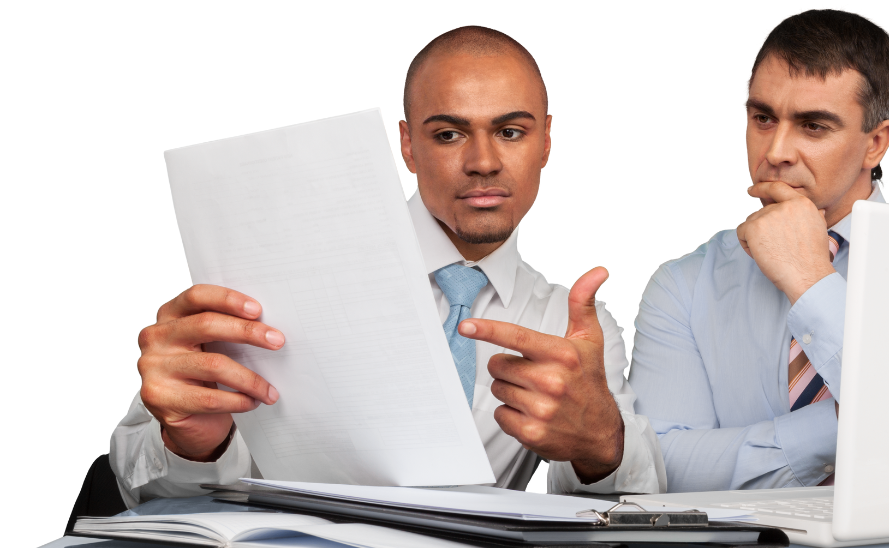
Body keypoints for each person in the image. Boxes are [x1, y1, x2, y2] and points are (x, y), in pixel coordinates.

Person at [111, 26, 666, 507]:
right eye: (448, 134)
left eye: (510, 131)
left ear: (546, 141)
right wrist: (189, 443)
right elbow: (135, 489)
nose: (483, 162)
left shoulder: (571, 332)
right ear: (407, 145)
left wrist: (600, 446)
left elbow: (616, 520)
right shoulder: (274, 273)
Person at [629, 10, 889, 491]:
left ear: (875, 144)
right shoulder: (684, 286)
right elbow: (663, 470)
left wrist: (811, 282)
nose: (775, 151)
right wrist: (848, 427)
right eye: (762, 118)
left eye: (813, 126)